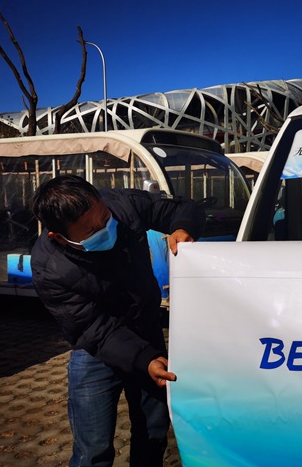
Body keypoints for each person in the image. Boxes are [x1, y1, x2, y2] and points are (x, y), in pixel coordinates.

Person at [29, 175, 205, 467]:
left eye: (105, 217)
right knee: (93, 450)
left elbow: (182, 208)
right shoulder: (49, 268)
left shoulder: (124, 205)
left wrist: (183, 227)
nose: (105, 228)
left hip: (147, 333)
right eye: (92, 230)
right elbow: (91, 328)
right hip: (96, 351)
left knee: (153, 434)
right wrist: (144, 359)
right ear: (59, 237)